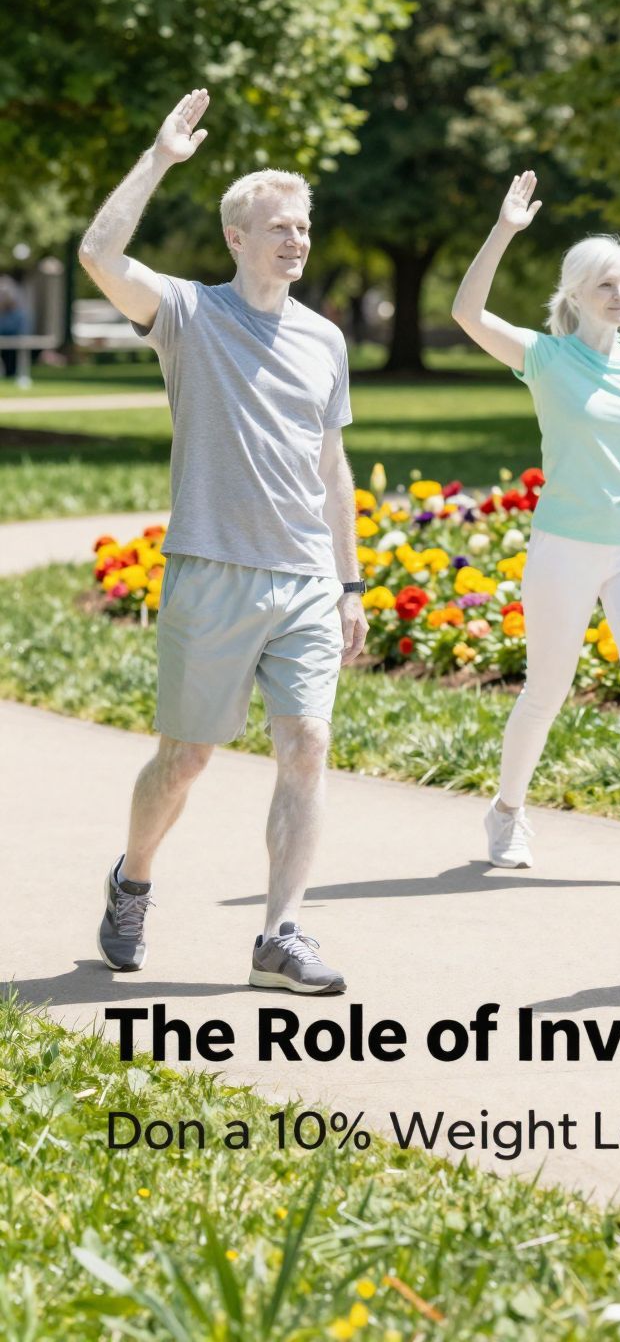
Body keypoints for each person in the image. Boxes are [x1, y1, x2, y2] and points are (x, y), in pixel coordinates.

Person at [79, 89, 369, 995]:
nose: (295, 240)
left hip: (305, 582)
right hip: (211, 572)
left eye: (304, 227)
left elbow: (333, 468)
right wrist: (160, 157)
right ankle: (133, 880)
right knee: (186, 759)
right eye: (277, 226)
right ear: (236, 238)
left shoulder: (325, 340)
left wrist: (352, 583)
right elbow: (97, 253)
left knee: (308, 742)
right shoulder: (188, 314)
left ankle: (278, 935)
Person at [451, 170, 620, 888]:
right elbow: (468, 312)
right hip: (564, 546)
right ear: (576, 293)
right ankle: (506, 811)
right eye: (608, 286)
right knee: (547, 689)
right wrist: (504, 228)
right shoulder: (544, 358)